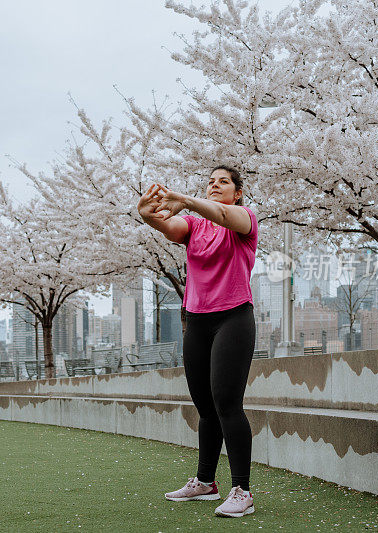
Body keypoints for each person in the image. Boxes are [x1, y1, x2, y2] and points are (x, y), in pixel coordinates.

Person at [136, 165, 258, 518]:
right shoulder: (195, 226)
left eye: (224, 182)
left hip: (233, 317)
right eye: (211, 182)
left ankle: (242, 491)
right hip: (197, 321)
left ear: (237, 193)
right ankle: (205, 481)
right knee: (205, 406)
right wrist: (147, 216)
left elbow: (221, 213)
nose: (215, 186)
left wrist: (185, 200)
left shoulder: (243, 219)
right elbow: (170, 226)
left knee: (226, 403)